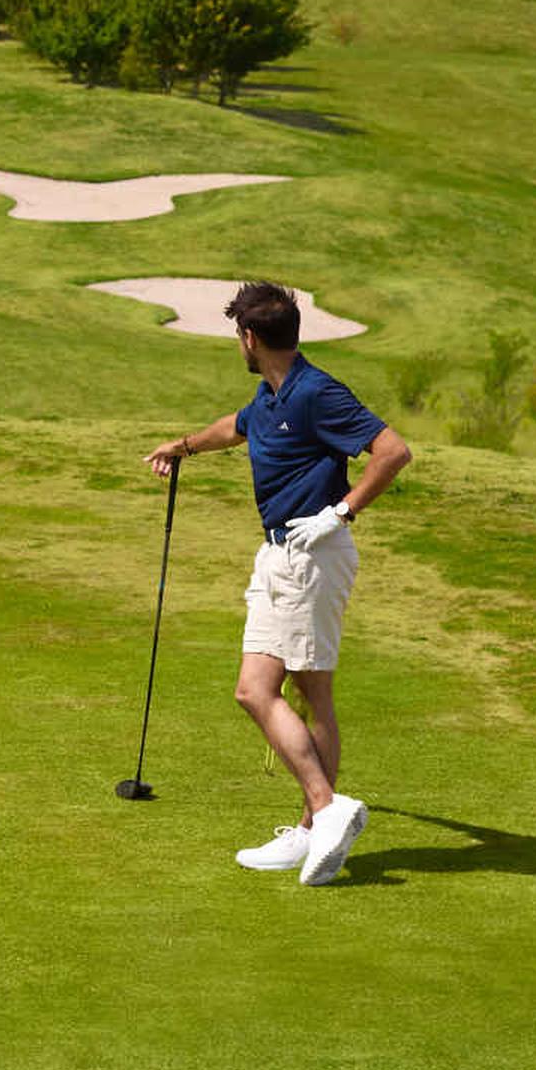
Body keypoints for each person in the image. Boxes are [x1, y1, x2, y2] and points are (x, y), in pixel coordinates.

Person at [141, 281, 415, 885]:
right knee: (310, 695)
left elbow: (393, 451)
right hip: (282, 557)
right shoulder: (270, 396)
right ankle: (312, 835)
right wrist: (181, 447)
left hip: (311, 554)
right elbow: (232, 429)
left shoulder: (317, 393)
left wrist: (341, 512)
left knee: (254, 690)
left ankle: (324, 806)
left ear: (249, 338)